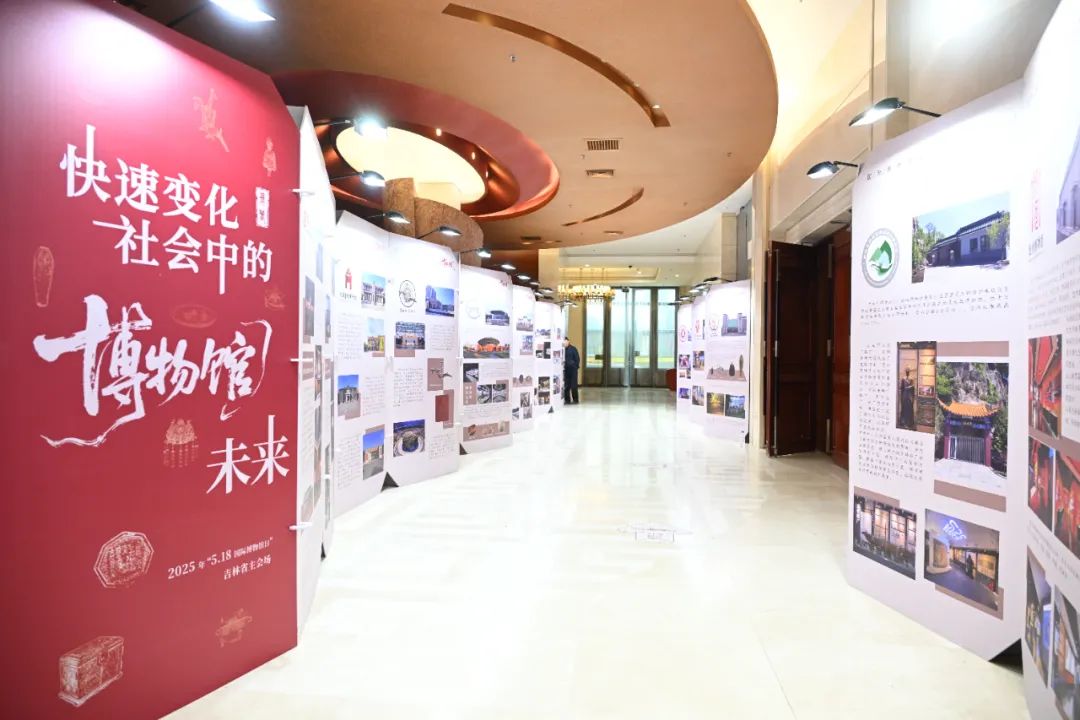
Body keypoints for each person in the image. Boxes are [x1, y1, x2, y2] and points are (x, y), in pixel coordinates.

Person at [563, 337, 580, 404]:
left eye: (566, 341)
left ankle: (575, 400)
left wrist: (575, 366)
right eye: (564, 342)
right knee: (566, 386)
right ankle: (567, 400)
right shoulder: (562, 349)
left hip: (573, 370)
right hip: (566, 370)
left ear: (568, 341)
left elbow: (577, 359)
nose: (565, 343)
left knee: (574, 386)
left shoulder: (573, 349)